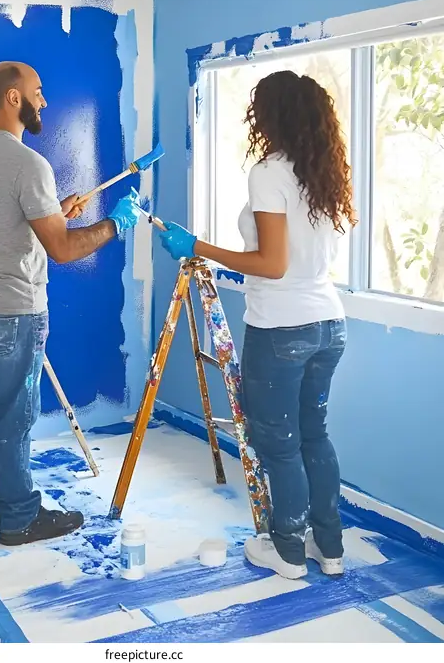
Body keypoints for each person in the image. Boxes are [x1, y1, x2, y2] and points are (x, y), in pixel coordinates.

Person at [157, 70, 356, 580]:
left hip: (282, 328)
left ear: (270, 115)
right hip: (329, 324)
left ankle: (287, 551)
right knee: (316, 435)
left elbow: (271, 264)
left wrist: (196, 246)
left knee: (280, 444)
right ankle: (327, 548)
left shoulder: (269, 172)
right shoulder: (322, 171)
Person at [0, 61, 141, 546]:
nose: (43, 101)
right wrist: (116, 225)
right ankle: (19, 516)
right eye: (37, 91)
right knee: (14, 413)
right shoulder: (29, 165)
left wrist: (56, 210)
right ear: (13, 98)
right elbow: (63, 249)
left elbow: (6, 220)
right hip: (13, 311)